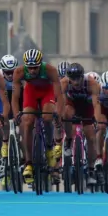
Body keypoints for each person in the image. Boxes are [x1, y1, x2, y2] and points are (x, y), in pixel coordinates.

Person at [11, 49, 64, 184]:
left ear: (40, 64)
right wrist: (17, 113)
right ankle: (28, 162)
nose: (33, 70)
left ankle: (49, 147)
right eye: (30, 67)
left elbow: (59, 95)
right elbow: (15, 97)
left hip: (47, 92)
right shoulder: (19, 72)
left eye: (35, 67)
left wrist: (58, 112)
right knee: (27, 122)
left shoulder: (50, 70)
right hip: (31, 92)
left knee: (47, 117)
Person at [60, 63, 97, 185]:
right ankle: (69, 140)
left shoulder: (91, 83)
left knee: (91, 137)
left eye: (78, 78)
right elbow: (60, 101)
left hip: (87, 107)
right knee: (66, 114)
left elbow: (97, 104)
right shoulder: (64, 83)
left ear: (82, 76)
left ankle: (91, 169)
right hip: (72, 104)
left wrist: (96, 118)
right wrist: (58, 115)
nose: (75, 82)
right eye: (72, 79)